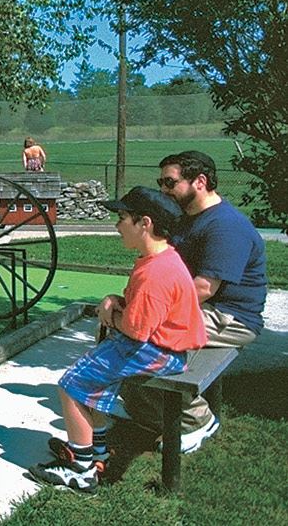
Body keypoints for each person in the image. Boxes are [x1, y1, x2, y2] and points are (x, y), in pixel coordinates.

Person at [30, 186, 204, 492]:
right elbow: (139, 309)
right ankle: (93, 451)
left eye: (122, 217)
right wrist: (114, 299)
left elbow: (137, 330)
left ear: (144, 223)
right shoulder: (160, 260)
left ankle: (81, 469)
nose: (116, 224)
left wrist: (110, 316)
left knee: (72, 385)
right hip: (161, 346)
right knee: (89, 380)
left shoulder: (156, 273)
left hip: (154, 349)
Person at [118, 151, 268, 453]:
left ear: (199, 181)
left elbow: (203, 288)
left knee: (145, 343)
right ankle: (161, 418)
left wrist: (145, 313)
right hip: (201, 308)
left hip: (230, 316)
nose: (163, 189)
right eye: (161, 182)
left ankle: (197, 421)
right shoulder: (186, 219)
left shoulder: (225, 225)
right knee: (127, 338)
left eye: (170, 182)